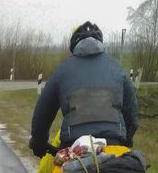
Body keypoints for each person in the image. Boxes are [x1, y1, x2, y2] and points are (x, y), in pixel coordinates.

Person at [29, 22, 138, 158]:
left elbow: (42, 114)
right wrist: (127, 141)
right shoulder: (118, 68)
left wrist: (39, 144)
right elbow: (132, 116)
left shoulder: (62, 70)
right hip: (113, 144)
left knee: (59, 171)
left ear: (74, 46)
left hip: (74, 148)